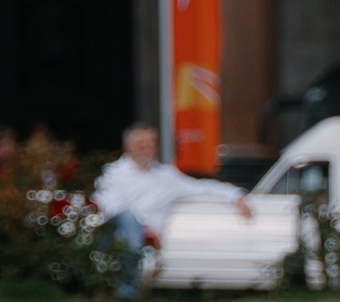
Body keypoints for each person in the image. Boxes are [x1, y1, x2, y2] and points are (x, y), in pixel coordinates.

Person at [92, 120, 236, 290]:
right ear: (128, 147)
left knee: (133, 230)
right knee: (128, 219)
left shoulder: (166, 176)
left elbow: (200, 188)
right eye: (141, 143)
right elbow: (108, 206)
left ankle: (128, 292)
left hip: (149, 242)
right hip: (116, 236)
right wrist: (144, 227)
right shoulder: (113, 173)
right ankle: (127, 290)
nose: (147, 147)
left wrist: (234, 195)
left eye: (151, 143)